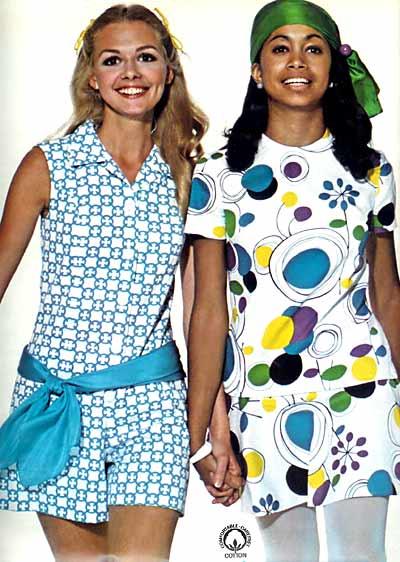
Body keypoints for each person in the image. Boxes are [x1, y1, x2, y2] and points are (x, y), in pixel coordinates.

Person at [185, 1, 400, 560]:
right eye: (280, 48)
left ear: (333, 68)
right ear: (257, 71)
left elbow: (387, 294)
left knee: (363, 555)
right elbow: (208, 311)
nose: (297, 61)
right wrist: (202, 428)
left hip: (362, 385)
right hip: (263, 396)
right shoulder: (220, 176)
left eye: (314, 48)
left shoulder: (370, 170)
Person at [0, 4, 207, 562]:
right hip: (58, 403)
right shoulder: (48, 165)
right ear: (92, 76)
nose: (131, 73)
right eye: (113, 60)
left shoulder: (189, 173)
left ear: (168, 70)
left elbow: (202, 312)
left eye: (146, 57)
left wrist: (210, 422)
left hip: (153, 404)